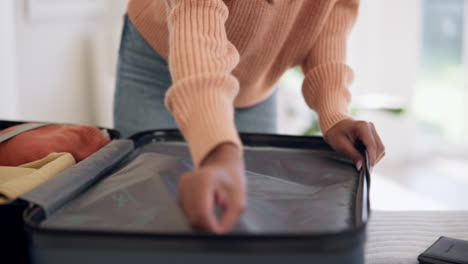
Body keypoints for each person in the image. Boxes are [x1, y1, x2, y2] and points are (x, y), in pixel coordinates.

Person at [114, 0, 385, 233]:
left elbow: (327, 25)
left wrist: (334, 110)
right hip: (161, 53)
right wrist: (219, 153)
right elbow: (196, 22)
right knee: (149, 207)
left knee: (246, 209)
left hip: (255, 78)